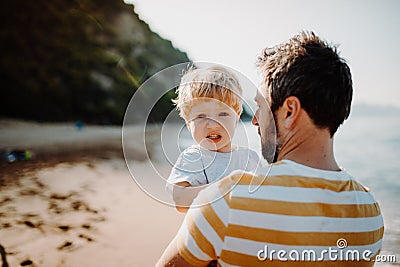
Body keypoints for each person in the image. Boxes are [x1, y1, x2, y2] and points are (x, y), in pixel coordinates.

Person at [157, 31, 384, 266]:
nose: (254, 120)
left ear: (289, 112)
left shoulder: (227, 200)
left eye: (261, 106)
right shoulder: (370, 213)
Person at [167, 65, 260, 212]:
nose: (212, 125)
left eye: (223, 114)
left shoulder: (250, 158)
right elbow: (180, 200)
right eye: (201, 116)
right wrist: (225, 188)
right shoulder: (193, 157)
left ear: (236, 118)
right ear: (188, 123)